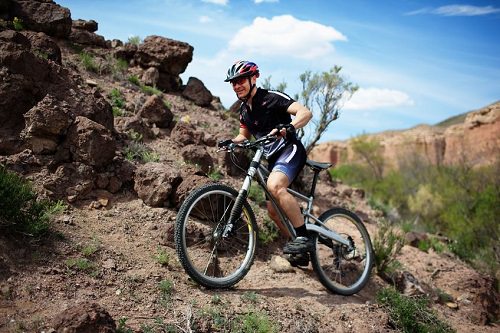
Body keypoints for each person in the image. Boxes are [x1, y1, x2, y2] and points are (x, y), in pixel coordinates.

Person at [219, 60, 314, 256]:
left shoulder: (271, 97)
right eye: (233, 83)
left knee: (275, 187)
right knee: (272, 211)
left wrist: (290, 127)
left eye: (240, 80)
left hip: (290, 150)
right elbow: (243, 135)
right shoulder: (244, 110)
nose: (237, 86)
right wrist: (231, 142)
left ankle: (305, 237)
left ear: (254, 78)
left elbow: (305, 112)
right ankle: (298, 247)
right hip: (272, 158)